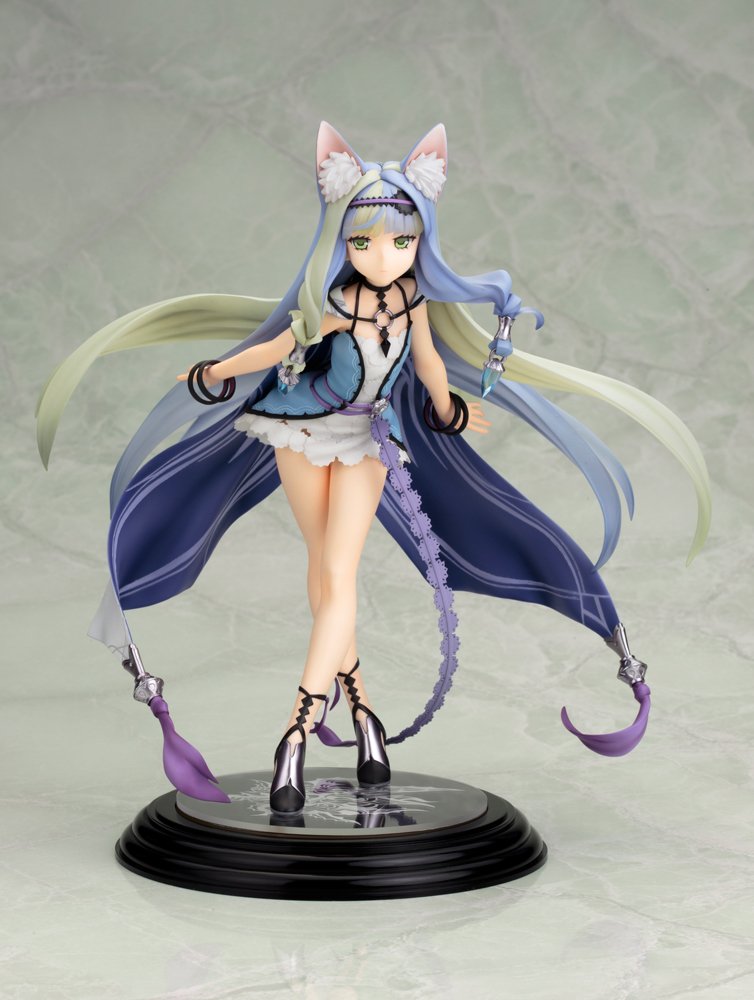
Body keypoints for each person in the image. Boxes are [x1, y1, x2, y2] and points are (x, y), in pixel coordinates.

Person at [36, 122, 711, 813]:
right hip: (300, 429)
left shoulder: (413, 302)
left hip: (368, 440)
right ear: (343, 242)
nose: (383, 257)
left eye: (400, 242)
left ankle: (296, 733)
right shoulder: (334, 301)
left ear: (421, 242)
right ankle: (364, 719)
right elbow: (279, 349)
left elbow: (428, 363)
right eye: (364, 243)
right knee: (325, 574)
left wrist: (448, 410)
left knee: (337, 575)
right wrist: (216, 372)